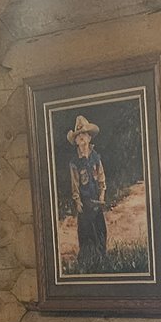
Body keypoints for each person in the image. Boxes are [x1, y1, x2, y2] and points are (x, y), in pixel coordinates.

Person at [66, 114, 107, 270]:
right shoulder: (75, 163)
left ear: (90, 138)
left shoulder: (96, 157)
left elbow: (101, 176)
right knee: (85, 228)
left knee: (100, 227)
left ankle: (102, 256)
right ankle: (86, 259)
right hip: (84, 199)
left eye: (85, 135)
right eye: (79, 137)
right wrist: (77, 200)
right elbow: (75, 183)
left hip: (96, 198)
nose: (82, 138)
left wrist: (102, 194)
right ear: (76, 141)